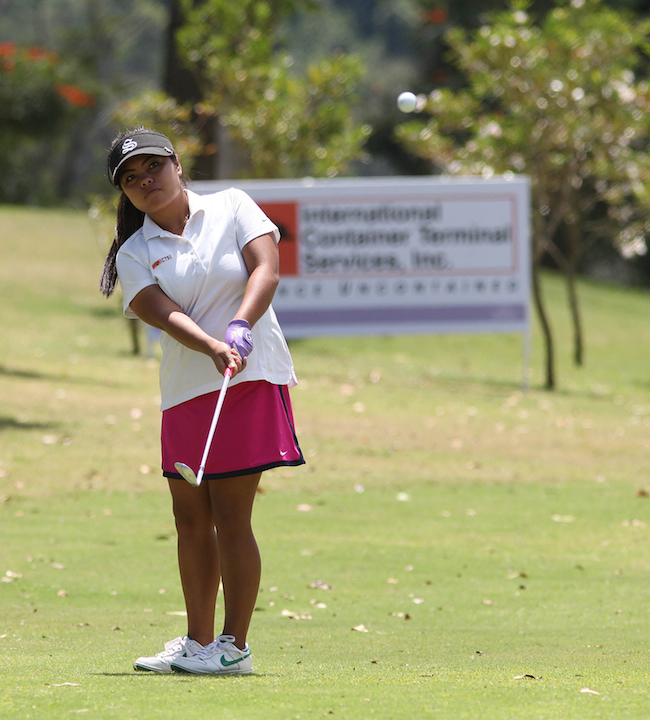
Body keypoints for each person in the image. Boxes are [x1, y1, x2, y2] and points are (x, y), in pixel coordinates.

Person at [100, 128, 304, 675]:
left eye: (153, 169)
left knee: (231, 514)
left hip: (248, 377)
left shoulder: (232, 206)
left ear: (177, 164)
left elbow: (267, 267)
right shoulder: (137, 250)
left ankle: (234, 647)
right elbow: (157, 310)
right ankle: (198, 643)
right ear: (125, 192)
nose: (146, 182)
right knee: (189, 518)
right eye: (132, 179)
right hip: (188, 388)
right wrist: (211, 343)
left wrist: (240, 325)